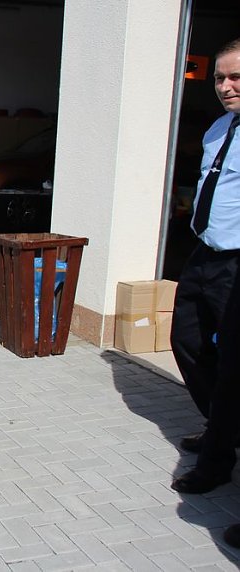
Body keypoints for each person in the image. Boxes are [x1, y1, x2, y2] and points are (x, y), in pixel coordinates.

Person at [169, 39, 240, 548]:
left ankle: (218, 455)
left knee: (234, 367)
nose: (225, 87)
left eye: (235, 77)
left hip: (237, 264)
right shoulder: (218, 130)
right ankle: (222, 425)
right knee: (186, 340)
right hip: (204, 253)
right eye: (219, 78)